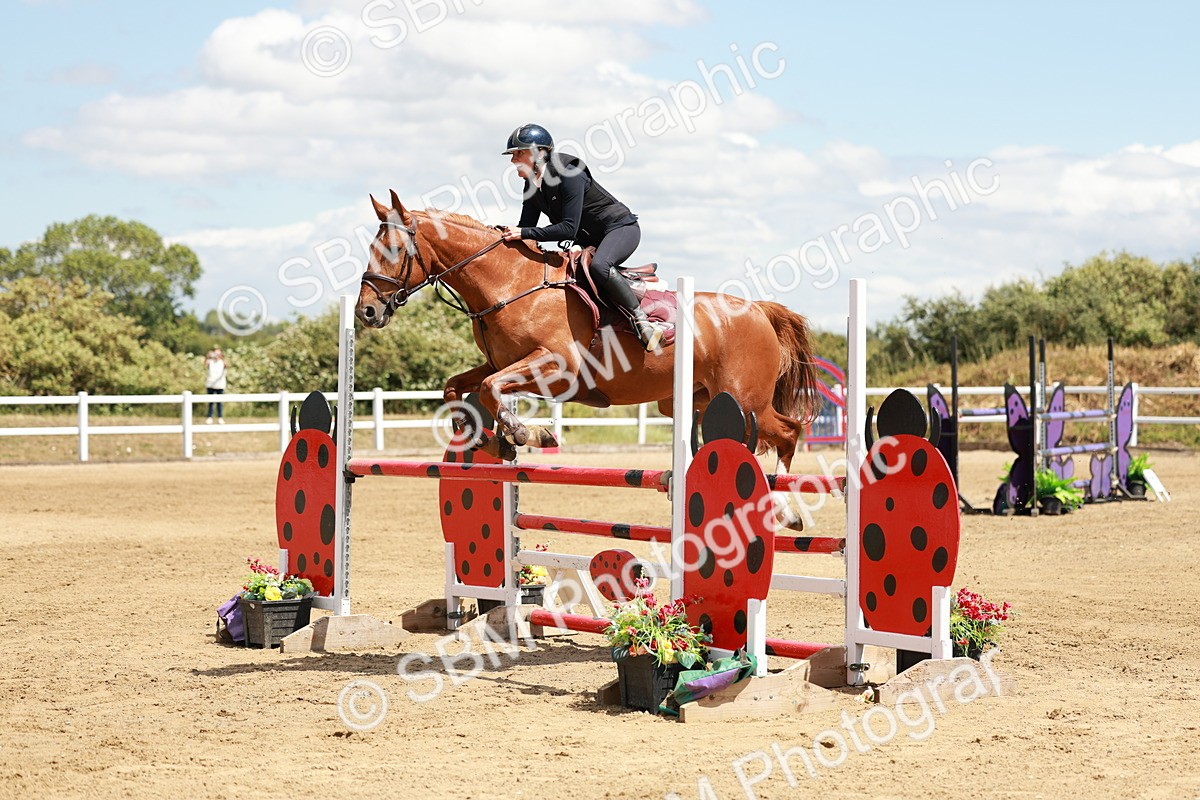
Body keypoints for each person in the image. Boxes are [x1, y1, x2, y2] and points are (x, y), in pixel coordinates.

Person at [499, 123, 664, 351]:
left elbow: (568, 228)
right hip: (589, 240)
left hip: (620, 228)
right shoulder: (531, 184)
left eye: (519, 153)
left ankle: (642, 321)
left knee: (600, 267)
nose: (513, 160)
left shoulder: (570, 172)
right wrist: (499, 237)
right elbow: (526, 228)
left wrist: (524, 233)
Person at [204, 346, 227, 424]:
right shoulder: (210, 361)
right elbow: (205, 364)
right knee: (210, 402)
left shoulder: (222, 362)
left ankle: (220, 417)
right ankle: (209, 417)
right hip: (210, 384)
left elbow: (227, 364)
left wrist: (221, 357)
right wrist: (208, 356)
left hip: (220, 385)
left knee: (219, 403)